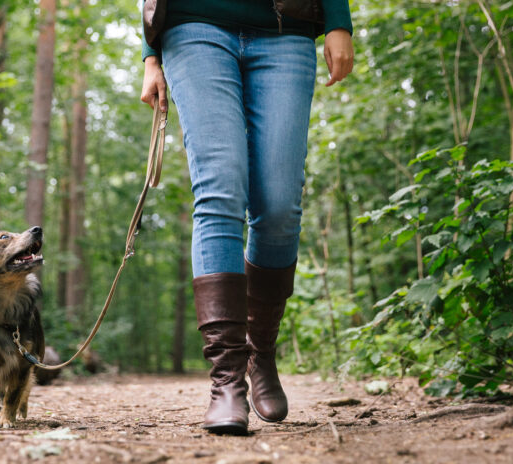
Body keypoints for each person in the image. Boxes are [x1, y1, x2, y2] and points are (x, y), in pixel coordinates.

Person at [140, 1, 354, 436]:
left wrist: (338, 20)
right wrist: (149, 55)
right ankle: (227, 381)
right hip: (192, 24)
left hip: (286, 27)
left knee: (278, 206)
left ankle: (261, 350)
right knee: (219, 190)